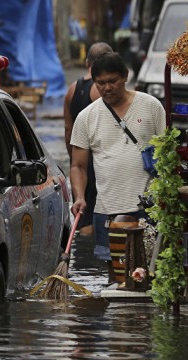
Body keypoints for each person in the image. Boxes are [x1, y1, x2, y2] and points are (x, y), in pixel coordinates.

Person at [69, 52, 165, 284]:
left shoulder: (151, 106)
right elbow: (78, 166)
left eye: (112, 81)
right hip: (108, 209)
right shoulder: (86, 117)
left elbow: (166, 153)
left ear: (125, 77)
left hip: (149, 207)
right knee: (116, 276)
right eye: (100, 83)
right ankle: (121, 319)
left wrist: (165, 195)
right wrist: (80, 197)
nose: (107, 87)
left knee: (151, 272)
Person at [63, 42, 114, 235]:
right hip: (100, 162)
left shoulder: (72, 90)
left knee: (84, 215)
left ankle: (85, 254)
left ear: (87, 62)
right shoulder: (102, 90)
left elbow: (68, 129)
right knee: (101, 216)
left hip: (81, 160)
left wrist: (74, 162)